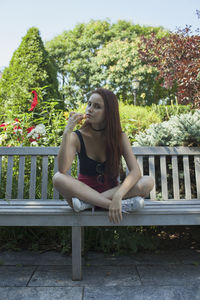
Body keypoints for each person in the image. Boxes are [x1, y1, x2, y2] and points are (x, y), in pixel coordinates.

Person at [53, 88, 154, 224]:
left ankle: (88, 205)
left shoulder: (119, 137)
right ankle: (114, 205)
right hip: (83, 194)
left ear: (108, 113)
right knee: (58, 177)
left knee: (148, 181)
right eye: (89, 104)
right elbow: (63, 169)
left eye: (97, 107)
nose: (90, 109)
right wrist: (66, 133)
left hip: (102, 196)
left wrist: (118, 195)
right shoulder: (77, 136)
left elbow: (135, 172)